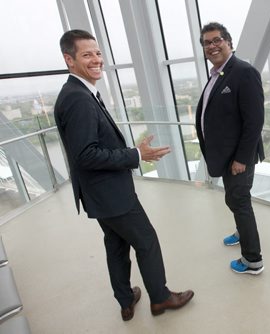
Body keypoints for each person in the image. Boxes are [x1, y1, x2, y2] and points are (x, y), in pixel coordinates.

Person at [54, 29, 194, 321]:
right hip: (111, 194)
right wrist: (137, 154)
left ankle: (126, 299)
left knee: (116, 244)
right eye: (86, 54)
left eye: (98, 53)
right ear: (69, 59)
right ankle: (161, 298)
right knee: (146, 240)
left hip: (99, 193)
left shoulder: (78, 93)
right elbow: (86, 155)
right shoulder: (78, 99)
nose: (96, 60)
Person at [195, 22, 265, 275]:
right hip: (227, 155)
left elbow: (254, 121)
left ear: (229, 43)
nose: (212, 46)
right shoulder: (218, 73)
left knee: (239, 200)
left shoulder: (243, 72)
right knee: (235, 199)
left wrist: (241, 159)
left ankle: (252, 260)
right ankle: (240, 233)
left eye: (217, 40)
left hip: (238, 158)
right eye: (206, 42)